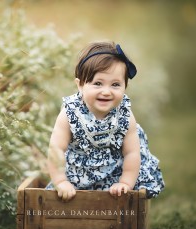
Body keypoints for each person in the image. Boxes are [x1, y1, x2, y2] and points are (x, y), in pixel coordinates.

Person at [46, 41, 165, 201]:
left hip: (114, 176)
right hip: (76, 176)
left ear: (125, 87)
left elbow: (131, 153)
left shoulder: (124, 115)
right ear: (80, 85)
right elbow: (56, 150)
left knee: (131, 186)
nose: (106, 91)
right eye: (98, 83)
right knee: (63, 196)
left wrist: (125, 183)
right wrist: (61, 181)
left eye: (115, 84)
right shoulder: (69, 113)